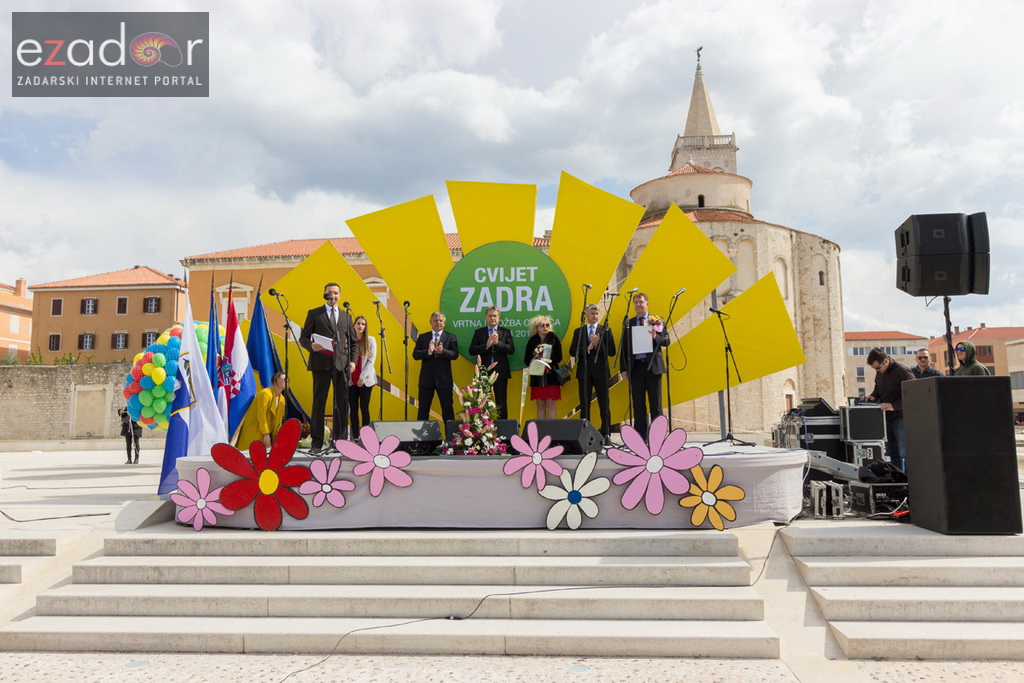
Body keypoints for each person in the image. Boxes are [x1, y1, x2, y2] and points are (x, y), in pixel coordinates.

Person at [299, 282, 357, 452]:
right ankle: (316, 442)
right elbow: (303, 338)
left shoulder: (346, 317)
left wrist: (352, 361)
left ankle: (340, 442)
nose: (333, 295)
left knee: (341, 402)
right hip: (320, 363)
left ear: (340, 295)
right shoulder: (315, 314)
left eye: (336, 293)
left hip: (341, 365)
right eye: (329, 293)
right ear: (324, 294)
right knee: (319, 402)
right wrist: (311, 346)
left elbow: (353, 343)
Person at [620, 292, 670, 440]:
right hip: (636, 369)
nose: (638, 305)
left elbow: (666, 341)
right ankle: (641, 438)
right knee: (638, 405)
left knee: (656, 404)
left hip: (653, 368)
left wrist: (655, 336)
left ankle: (658, 438)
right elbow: (624, 348)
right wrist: (623, 369)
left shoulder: (655, 320)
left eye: (641, 302)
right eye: (636, 302)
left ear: (647, 304)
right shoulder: (629, 323)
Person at [862, 347, 915, 472]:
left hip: (901, 417)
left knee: (905, 452)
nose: (877, 370)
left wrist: (894, 406)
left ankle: (909, 481)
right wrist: (872, 397)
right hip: (887, 418)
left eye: (878, 368)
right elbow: (878, 389)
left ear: (885, 361)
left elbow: (914, 394)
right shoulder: (880, 371)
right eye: (874, 369)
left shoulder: (902, 371)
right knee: (892, 452)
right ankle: (897, 479)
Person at [569, 304, 616, 443]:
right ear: (586, 315)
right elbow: (573, 352)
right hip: (584, 373)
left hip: (601, 373)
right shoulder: (579, 331)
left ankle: (606, 434)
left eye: (596, 313)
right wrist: (589, 347)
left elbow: (612, 351)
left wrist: (599, 343)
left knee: (604, 404)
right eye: (592, 313)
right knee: (584, 405)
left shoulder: (606, 330)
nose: (594, 316)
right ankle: (585, 435)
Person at [468, 307, 515, 419]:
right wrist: (487, 345)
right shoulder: (479, 332)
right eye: (490, 315)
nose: (492, 318)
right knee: (482, 400)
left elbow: (511, 350)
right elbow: (472, 350)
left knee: (501, 401)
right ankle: (482, 428)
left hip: (500, 372)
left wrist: (497, 343)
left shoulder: (505, 332)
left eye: (495, 316)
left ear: (499, 318)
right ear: (486, 317)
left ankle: (503, 429)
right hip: (483, 372)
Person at [413, 311, 459, 422]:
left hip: (444, 380)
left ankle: (450, 438)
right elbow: (415, 355)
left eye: (440, 321)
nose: (438, 322)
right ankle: (422, 439)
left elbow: (454, 355)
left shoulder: (450, 337)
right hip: (426, 380)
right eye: (436, 320)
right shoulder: (423, 337)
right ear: (430, 322)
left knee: (447, 410)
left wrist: (442, 352)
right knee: (423, 411)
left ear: (444, 323)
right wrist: (428, 351)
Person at [234, 371, 288, 451]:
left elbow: (279, 420)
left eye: (287, 379)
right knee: (251, 455)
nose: (286, 381)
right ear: (275, 381)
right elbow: (261, 414)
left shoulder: (282, 399)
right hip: (256, 430)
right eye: (283, 379)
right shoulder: (265, 393)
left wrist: (277, 436)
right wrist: (266, 434)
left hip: (266, 433)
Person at [524, 315, 562, 419]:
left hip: (551, 377)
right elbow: (526, 360)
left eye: (547, 325)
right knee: (540, 406)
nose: (545, 327)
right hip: (537, 377)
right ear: (536, 327)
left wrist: (547, 358)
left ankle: (553, 431)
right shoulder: (532, 341)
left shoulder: (554, 339)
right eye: (542, 325)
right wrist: (535, 358)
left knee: (551, 405)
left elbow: (559, 357)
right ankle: (542, 432)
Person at [349, 315, 378, 437]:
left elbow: (371, 360)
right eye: (358, 323)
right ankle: (355, 436)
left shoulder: (370, 340)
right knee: (353, 409)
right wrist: (349, 378)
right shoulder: (349, 340)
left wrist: (362, 377)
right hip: (351, 380)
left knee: (364, 408)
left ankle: (366, 437)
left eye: (363, 324)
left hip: (365, 379)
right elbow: (345, 360)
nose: (360, 326)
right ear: (354, 325)